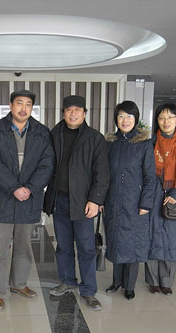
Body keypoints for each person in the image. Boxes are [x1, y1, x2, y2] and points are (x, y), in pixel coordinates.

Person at [0, 89, 54, 311]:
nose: (23, 108)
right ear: (11, 105)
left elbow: (47, 164)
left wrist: (30, 188)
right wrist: (14, 187)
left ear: (32, 108)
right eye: (19, 103)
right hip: (2, 198)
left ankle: (19, 284)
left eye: (28, 104)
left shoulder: (41, 132)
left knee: (24, 246)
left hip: (29, 199)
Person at [43, 95, 109, 311]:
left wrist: (95, 199)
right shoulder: (54, 134)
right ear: (63, 112)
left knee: (86, 247)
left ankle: (88, 290)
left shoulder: (94, 138)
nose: (73, 114)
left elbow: (102, 173)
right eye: (69, 110)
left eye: (77, 110)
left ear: (84, 113)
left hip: (83, 202)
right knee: (63, 246)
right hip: (59, 199)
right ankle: (68, 280)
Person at [103, 101, 156, 300]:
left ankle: (129, 285)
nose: (125, 121)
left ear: (136, 119)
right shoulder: (110, 143)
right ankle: (116, 281)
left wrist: (145, 203)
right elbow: (103, 174)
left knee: (132, 244)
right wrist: (101, 199)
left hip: (135, 203)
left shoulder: (144, 144)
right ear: (116, 119)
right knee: (116, 241)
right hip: (113, 201)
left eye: (129, 117)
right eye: (121, 116)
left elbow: (150, 177)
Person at [145, 103, 176, 295]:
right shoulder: (150, 144)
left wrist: (175, 194)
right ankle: (153, 280)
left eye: (170, 117)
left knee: (171, 239)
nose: (166, 121)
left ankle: (166, 281)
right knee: (152, 236)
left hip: (175, 195)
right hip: (154, 194)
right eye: (161, 118)